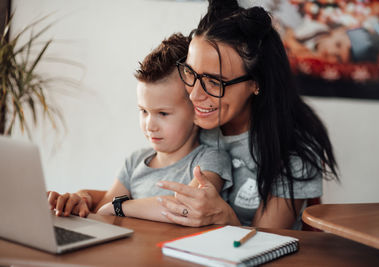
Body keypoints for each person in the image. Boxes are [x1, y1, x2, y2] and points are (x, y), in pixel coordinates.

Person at [156, 0, 339, 229]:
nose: (194, 96)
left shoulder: (293, 148)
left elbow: (266, 240)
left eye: (214, 82)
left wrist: (224, 217)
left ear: (256, 84)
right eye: (191, 73)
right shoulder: (187, 119)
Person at [47, 33, 232, 223]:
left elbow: (187, 206)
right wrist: (83, 199)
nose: (150, 126)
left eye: (163, 113)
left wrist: (119, 207)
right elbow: (104, 207)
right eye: (143, 111)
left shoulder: (209, 160)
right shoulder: (135, 163)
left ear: (196, 109)